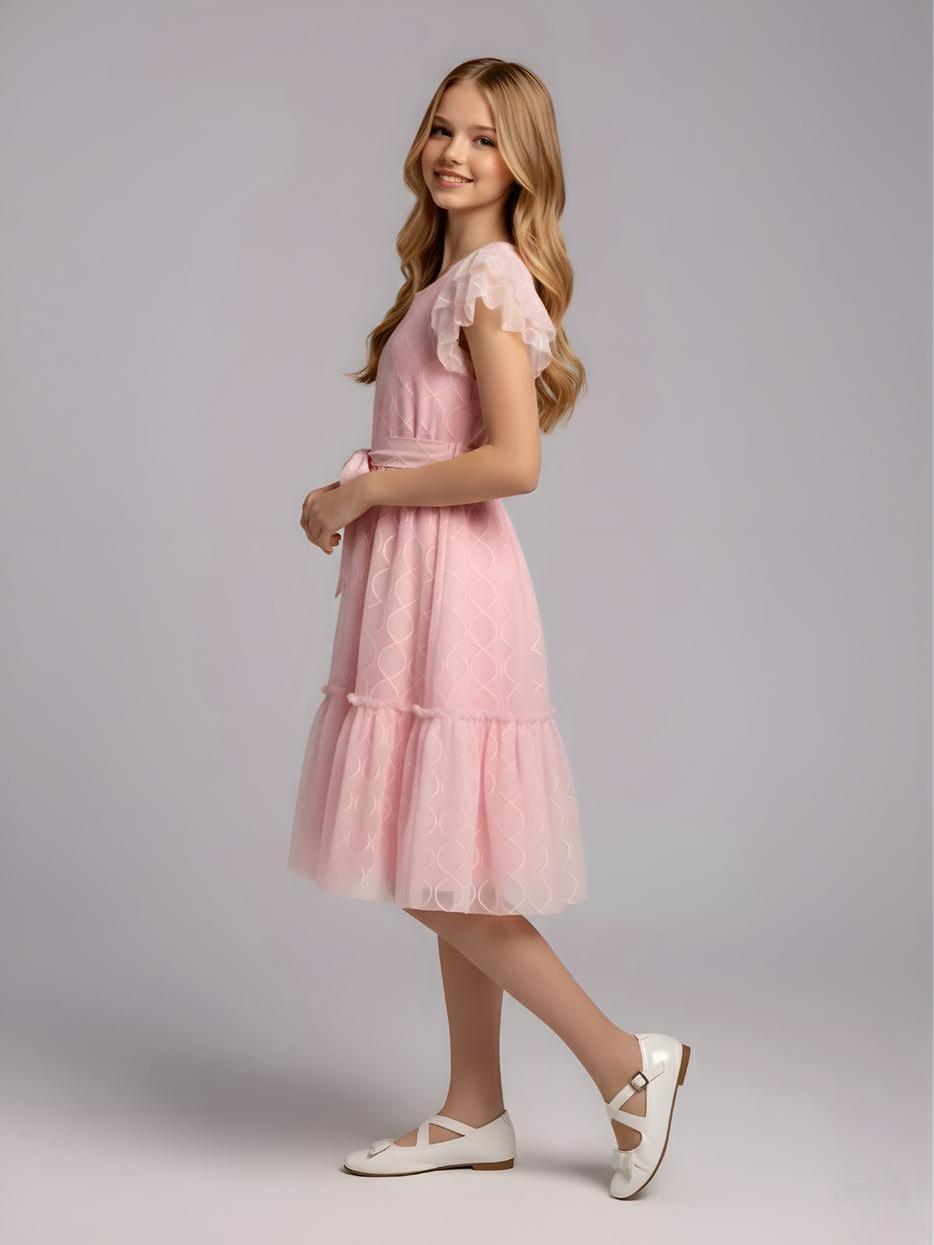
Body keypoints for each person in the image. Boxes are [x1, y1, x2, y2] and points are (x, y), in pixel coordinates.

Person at [291, 57, 691, 1199]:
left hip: (453, 583)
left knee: (435, 863)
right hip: (411, 579)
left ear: (524, 164)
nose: (453, 153)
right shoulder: (445, 277)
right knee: (443, 848)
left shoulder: (493, 280)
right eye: (440, 129)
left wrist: (363, 492)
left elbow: (515, 461)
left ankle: (623, 1062)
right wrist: (356, 496)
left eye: (483, 137)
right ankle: (474, 1107)